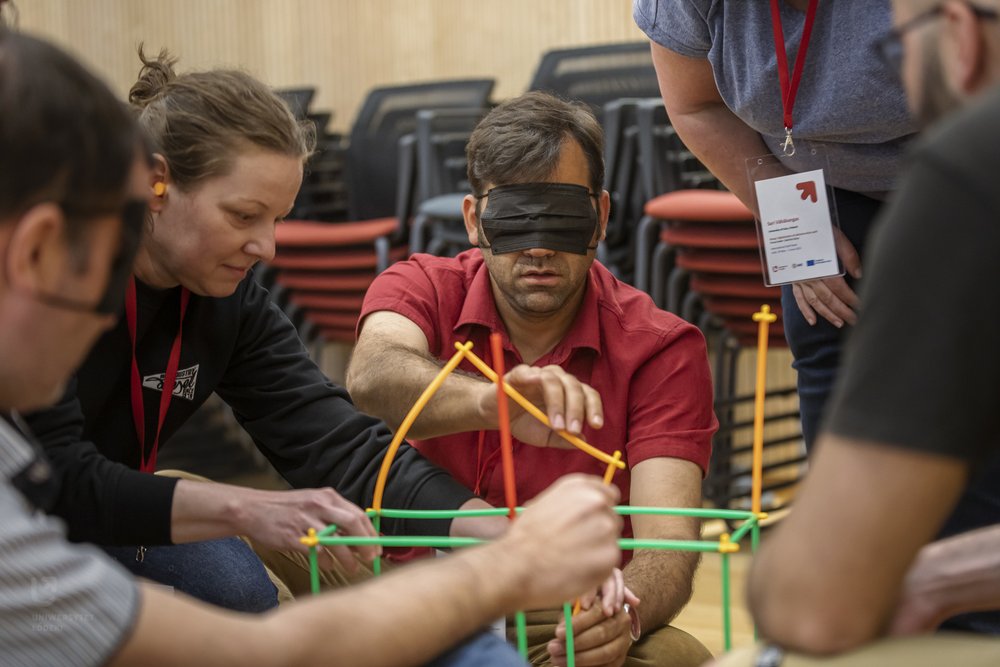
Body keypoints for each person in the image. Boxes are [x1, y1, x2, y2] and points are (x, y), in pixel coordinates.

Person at [0, 29, 624, 667]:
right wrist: (250, 508)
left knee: (236, 587)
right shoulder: (59, 294)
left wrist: (506, 532)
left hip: (94, 512)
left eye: (278, 219)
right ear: (157, 185)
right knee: (238, 594)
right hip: (58, 520)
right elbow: (66, 480)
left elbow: (335, 441)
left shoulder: (230, 300)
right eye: (243, 216)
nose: (267, 247)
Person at [348, 91, 717, 667]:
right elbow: (373, 374)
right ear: (474, 220)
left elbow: (667, 541)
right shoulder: (421, 287)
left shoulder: (661, 347)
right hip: (400, 585)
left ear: (600, 216)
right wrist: (490, 401)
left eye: (563, 217)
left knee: (678, 654)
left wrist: (623, 615)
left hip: (550, 612)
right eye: (516, 217)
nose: (540, 247)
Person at [715, 1, 1000, 664]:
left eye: (893, 49)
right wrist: (943, 575)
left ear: (958, 34)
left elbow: (814, 602)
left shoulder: (972, 172)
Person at [633, 0, 918, 451]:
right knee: (827, 346)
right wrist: (792, 223)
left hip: (955, 165)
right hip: (816, 184)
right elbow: (696, 107)